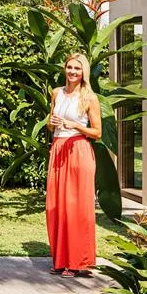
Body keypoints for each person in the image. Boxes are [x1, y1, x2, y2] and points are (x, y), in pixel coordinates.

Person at [46, 51, 102, 276]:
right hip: (58, 150)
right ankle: (60, 259)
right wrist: (51, 123)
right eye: (69, 67)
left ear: (83, 72)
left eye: (77, 68)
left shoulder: (89, 97)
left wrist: (74, 125)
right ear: (64, 69)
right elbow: (52, 127)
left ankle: (77, 261)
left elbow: (97, 132)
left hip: (78, 150)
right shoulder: (56, 93)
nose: (72, 72)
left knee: (76, 207)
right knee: (56, 205)